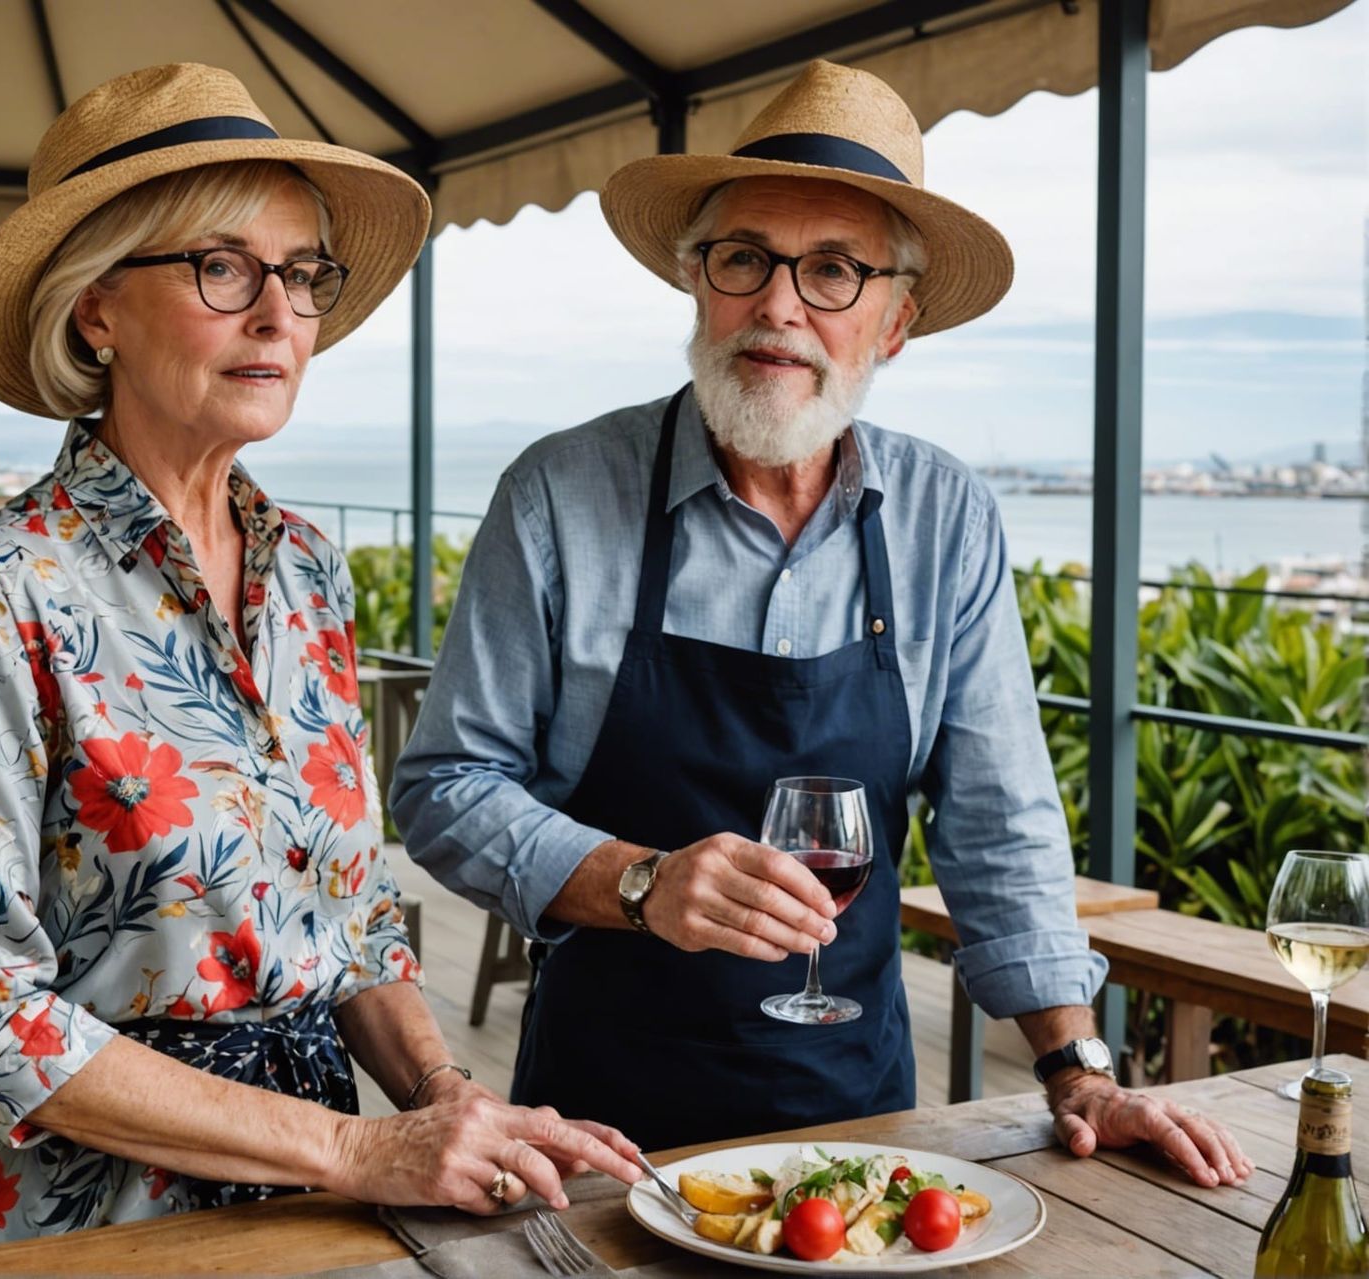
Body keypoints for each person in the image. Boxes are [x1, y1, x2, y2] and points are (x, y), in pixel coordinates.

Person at [391, 61, 1252, 1186]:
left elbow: (998, 824)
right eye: (744, 258)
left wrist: (1079, 1069)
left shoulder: (946, 517)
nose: (779, 305)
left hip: (856, 1128)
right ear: (696, 281)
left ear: (895, 324)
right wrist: (641, 881)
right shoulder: (558, 495)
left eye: (834, 271)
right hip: (596, 1127)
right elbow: (445, 786)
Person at [0, 63, 639, 1257]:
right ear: (96, 308)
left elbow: (352, 922)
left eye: (303, 273)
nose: (280, 313)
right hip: (90, 1226)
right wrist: (355, 1148)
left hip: (315, 1209)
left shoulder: (309, 575)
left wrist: (443, 1097)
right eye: (222, 268)